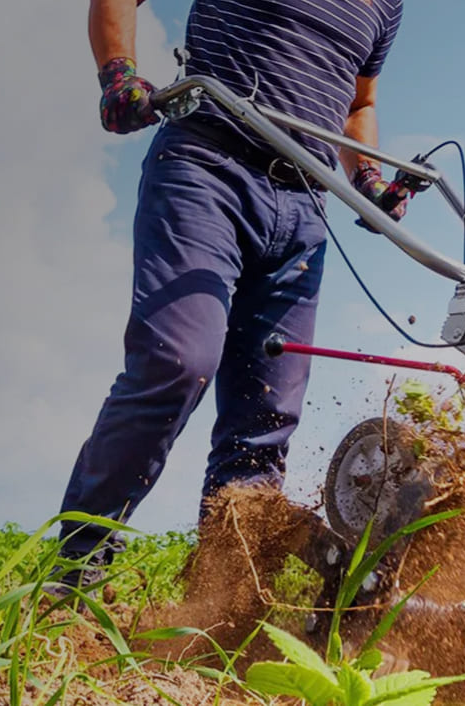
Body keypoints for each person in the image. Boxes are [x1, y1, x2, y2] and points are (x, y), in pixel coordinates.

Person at [54, 0, 410, 592]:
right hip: (208, 165)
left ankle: (218, 604)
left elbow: (360, 102)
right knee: (176, 361)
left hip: (304, 206)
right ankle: (74, 569)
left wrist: (368, 179)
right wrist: (119, 74)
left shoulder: (388, 5)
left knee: (267, 414)